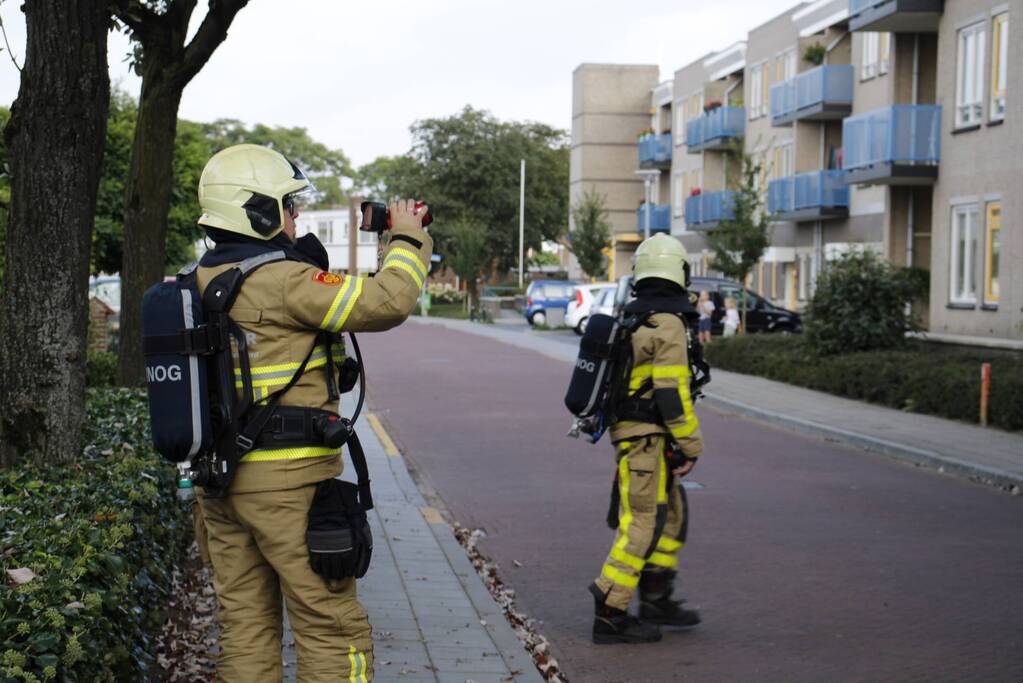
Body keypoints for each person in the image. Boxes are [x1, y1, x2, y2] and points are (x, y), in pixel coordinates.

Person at [192, 144, 432, 682]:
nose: (296, 216)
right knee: (331, 628)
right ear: (258, 211)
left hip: (219, 488)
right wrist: (407, 237)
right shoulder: (283, 281)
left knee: (245, 631)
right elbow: (388, 301)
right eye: (288, 205)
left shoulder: (198, 281)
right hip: (290, 488)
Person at [590, 233, 705, 644]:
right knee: (641, 522)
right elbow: (671, 393)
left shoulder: (638, 317)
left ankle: (657, 596)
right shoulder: (667, 323)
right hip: (645, 441)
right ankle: (610, 610)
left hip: (645, 438)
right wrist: (691, 444)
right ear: (679, 272)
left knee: (669, 514)